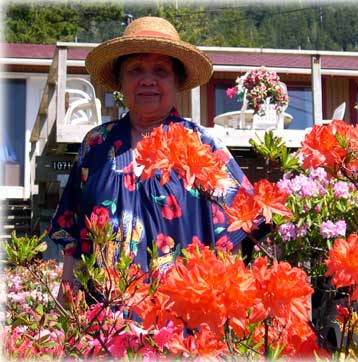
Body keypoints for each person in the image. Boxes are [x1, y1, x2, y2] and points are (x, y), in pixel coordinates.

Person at [48, 17, 255, 301]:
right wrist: (66, 311)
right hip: (104, 328)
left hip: (183, 324)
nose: (147, 80)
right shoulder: (95, 145)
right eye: (135, 70)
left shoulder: (204, 145)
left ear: (177, 81)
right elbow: (73, 239)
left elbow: (234, 237)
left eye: (161, 70)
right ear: (120, 81)